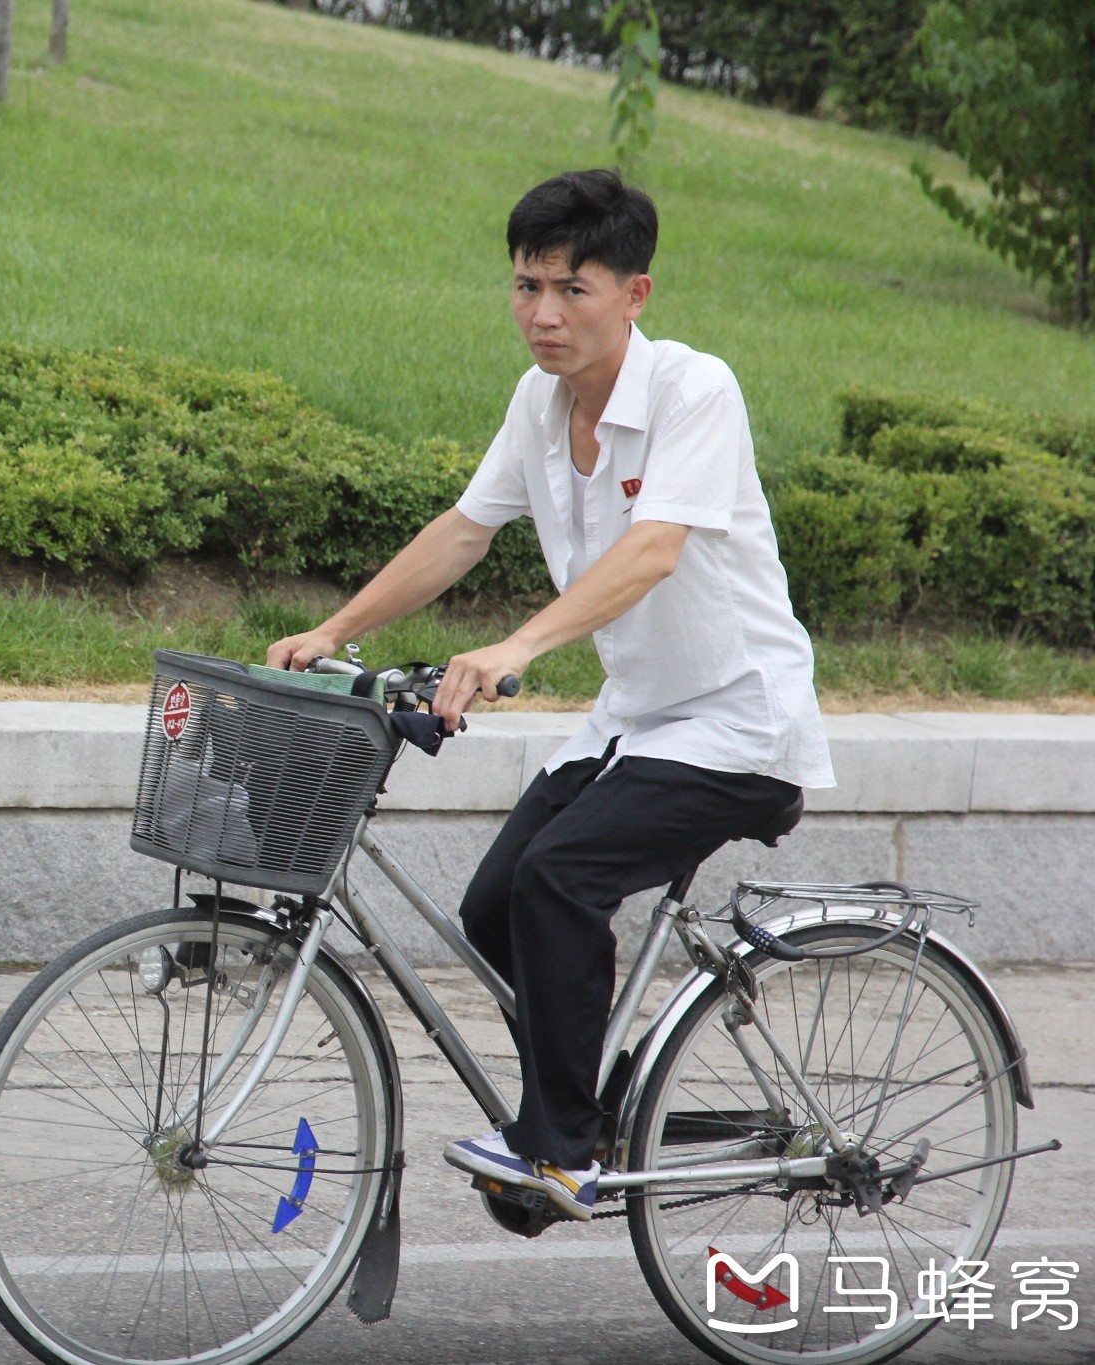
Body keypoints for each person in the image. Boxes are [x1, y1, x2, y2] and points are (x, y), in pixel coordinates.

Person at [266, 168, 834, 1221]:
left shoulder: (690, 391)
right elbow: (463, 529)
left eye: (572, 289)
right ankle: (587, 1106)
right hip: (636, 720)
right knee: (493, 905)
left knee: (558, 880)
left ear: (634, 294)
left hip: (738, 725)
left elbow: (654, 548)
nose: (541, 314)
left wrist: (515, 646)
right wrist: (335, 630)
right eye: (526, 286)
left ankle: (561, 1144)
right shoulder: (539, 402)